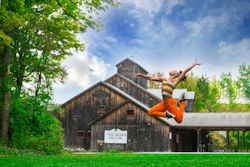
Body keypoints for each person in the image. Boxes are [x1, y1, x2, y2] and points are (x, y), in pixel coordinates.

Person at [133, 59, 201, 124]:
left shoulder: (175, 81)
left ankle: (182, 103)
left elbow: (185, 71)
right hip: (165, 103)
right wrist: (141, 75)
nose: (172, 70)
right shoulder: (163, 79)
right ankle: (166, 115)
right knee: (150, 112)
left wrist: (194, 64)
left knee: (179, 120)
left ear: (175, 74)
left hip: (170, 102)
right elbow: (151, 78)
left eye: (174, 70)